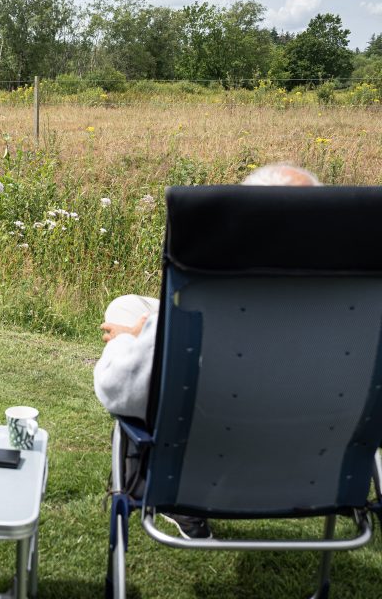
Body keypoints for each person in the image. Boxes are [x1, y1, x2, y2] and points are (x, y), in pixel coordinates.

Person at [93, 162, 321, 539]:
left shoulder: (214, 292)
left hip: (212, 451)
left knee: (135, 335)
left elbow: (119, 392)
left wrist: (130, 340)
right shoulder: (353, 305)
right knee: (130, 306)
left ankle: (172, 495)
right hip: (313, 465)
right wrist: (151, 327)